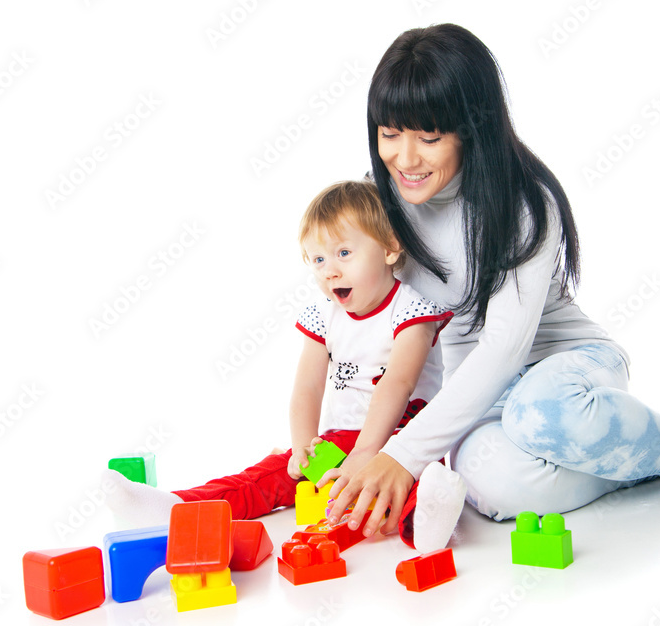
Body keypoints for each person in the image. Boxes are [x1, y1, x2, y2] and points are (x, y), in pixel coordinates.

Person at [325, 23, 660, 541]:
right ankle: (640, 454)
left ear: (470, 129)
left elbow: (505, 347)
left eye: (429, 137)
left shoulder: (523, 204)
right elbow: (370, 321)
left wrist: (404, 454)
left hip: (568, 374)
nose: (405, 159)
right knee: (493, 488)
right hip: (480, 399)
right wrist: (370, 450)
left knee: (542, 411)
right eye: (389, 134)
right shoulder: (376, 203)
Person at [105, 180, 461, 549]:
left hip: (399, 441)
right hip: (340, 442)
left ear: (389, 248)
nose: (329, 271)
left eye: (343, 253)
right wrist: (303, 446)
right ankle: (178, 507)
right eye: (318, 260)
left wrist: (367, 452)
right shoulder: (325, 315)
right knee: (267, 476)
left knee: (412, 480)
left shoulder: (412, 312)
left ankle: (427, 523)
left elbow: (397, 384)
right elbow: (307, 387)